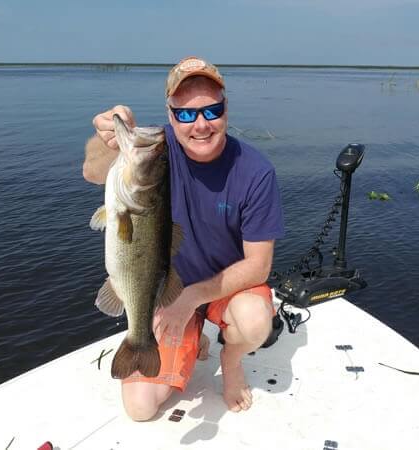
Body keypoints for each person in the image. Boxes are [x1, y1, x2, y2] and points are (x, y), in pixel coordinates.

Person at [82, 56, 284, 421]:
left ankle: (231, 360)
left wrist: (192, 299)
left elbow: (259, 266)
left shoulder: (256, 172)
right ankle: (193, 335)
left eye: (212, 110)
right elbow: (93, 171)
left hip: (225, 289)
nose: (201, 124)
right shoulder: (154, 150)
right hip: (167, 288)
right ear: (170, 115)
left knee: (255, 320)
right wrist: (106, 138)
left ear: (226, 109)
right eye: (186, 114)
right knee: (141, 408)